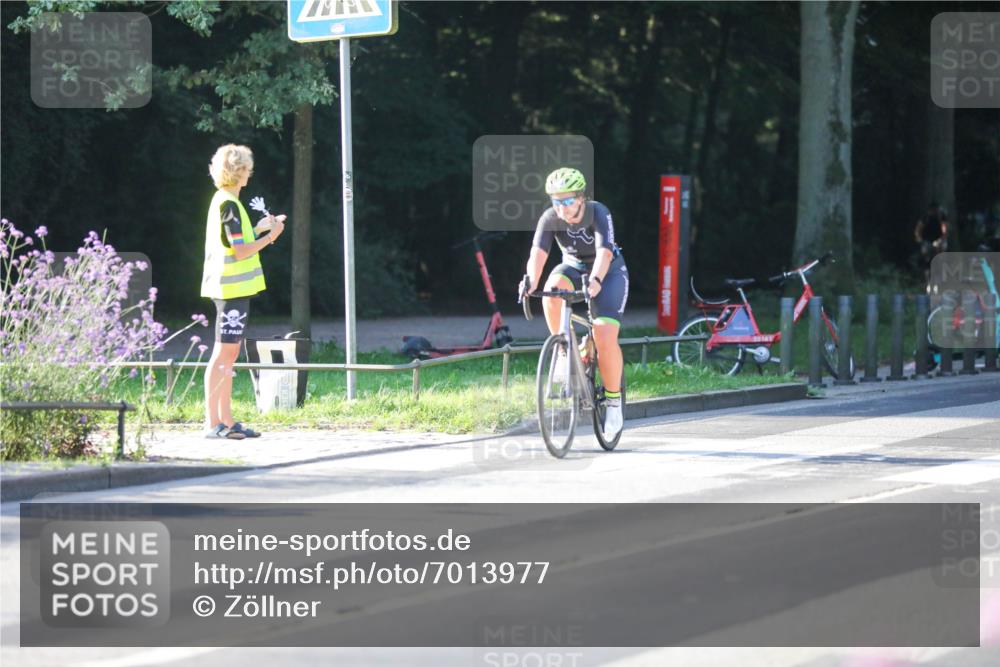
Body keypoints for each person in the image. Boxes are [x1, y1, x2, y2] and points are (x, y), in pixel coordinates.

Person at [520, 167, 629, 439]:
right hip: (572, 267)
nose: (562, 208)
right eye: (556, 201)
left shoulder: (598, 212)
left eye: (567, 201)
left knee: (603, 334)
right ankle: (563, 350)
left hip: (609, 271)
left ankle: (614, 403)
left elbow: (605, 252)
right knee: (552, 288)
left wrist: (595, 281)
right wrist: (531, 280)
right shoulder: (550, 218)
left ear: (581, 198)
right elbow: (538, 253)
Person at [201, 144, 286, 439]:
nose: (249, 173)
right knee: (223, 354)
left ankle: (226, 419)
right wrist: (271, 237)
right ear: (238, 172)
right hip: (229, 289)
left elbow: (237, 240)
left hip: (233, 289)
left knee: (229, 354)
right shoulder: (228, 204)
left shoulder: (227, 202)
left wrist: (259, 228)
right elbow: (239, 251)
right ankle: (214, 423)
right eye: (247, 169)